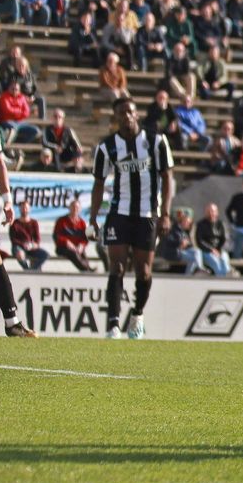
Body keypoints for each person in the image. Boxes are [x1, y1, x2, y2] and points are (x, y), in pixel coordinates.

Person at [89, 97, 173, 339]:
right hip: (119, 213)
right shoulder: (107, 147)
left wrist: (165, 214)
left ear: (137, 114)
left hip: (147, 214)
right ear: (116, 118)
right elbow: (98, 182)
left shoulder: (156, 142)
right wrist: (94, 218)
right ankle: (113, 324)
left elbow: (168, 178)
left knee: (144, 271)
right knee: (117, 267)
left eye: (130, 112)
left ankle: (137, 315)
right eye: (121, 113)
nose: (126, 116)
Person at [54, 198, 93, 272]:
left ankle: (87, 270)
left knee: (82, 253)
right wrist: (67, 242)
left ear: (80, 209)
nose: (75, 209)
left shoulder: (82, 223)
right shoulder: (61, 221)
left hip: (77, 247)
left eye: (77, 207)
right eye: (73, 207)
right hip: (63, 248)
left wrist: (82, 245)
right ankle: (87, 269)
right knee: (74, 253)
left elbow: (85, 239)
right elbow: (57, 236)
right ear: (69, 208)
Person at [194, 202, 231, 276]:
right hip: (206, 251)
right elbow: (199, 241)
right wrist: (211, 250)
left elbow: (225, 239)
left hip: (219, 250)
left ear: (217, 212)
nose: (211, 213)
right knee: (216, 263)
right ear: (205, 212)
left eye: (213, 211)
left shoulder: (221, 224)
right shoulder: (201, 224)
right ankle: (221, 282)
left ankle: (226, 279)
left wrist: (219, 250)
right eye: (209, 211)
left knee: (224, 261)